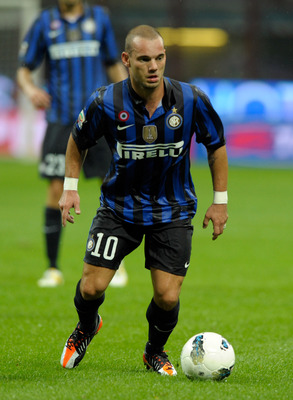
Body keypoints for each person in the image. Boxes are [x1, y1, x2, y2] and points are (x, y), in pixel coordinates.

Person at [59, 25, 228, 376]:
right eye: (145, 59)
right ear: (127, 60)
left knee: (167, 296)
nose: (154, 66)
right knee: (91, 288)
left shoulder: (191, 99)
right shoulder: (105, 101)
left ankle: (154, 351)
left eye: (160, 58)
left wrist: (220, 201)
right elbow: (78, 140)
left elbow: (216, 145)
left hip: (174, 209)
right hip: (119, 209)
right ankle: (87, 326)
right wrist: (70, 186)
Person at [16, 0, 128, 288]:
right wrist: (30, 90)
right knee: (56, 188)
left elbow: (113, 63)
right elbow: (24, 69)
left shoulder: (99, 19)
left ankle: (118, 264)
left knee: (112, 185)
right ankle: (53, 268)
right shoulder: (45, 22)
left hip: (99, 118)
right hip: (61, 120)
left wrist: (129, 100)